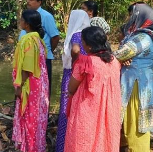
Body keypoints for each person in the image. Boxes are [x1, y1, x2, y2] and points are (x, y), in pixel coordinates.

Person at [65, 26, 121, 152]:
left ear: (88, 46)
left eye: (83, 41)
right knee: (105, 137)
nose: (82, 44)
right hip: (109, 109)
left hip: (87, 108)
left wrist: (70, 93)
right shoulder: (114, 61)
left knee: (84, 139)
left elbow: (71, 87)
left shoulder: (85, 62)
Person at [114, 3, 153, 151]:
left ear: (139, 16)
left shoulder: (143, 37)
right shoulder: (143, 35)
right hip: (139, 83)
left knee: (135, 124)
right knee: (131, 123)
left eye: (131, 15)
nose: (129, 18)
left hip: (136, 87)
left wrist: (121, 56)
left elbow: (120, 54)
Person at [12, 10, 49, 152]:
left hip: (31, 85)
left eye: (21, 20)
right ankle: (36, 146)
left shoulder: (28, 40)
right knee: (37, 116)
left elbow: (27, 68)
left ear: (26, 24)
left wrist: (19, 86)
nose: (20, 21)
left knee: (29, 116)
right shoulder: (38, 40)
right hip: (40, 85)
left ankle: (29, 147)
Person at [55, 10, 90, 152]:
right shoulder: (89, 35)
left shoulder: (77, 34)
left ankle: (63, 146)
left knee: (66, 109)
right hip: (86, 74)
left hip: (72, 75)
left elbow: (75, 50)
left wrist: (76, 64)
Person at [20, 0, 60, 98]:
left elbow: (55, 36)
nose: (28, 2)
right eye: (27, 0)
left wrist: (47, 51)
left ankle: (42, 113)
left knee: (42, 89)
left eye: (31, 0)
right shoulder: (26, 15)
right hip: (25, 56)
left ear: (39, 2)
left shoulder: (46, 16)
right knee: (24, 86)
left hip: (41, 58)